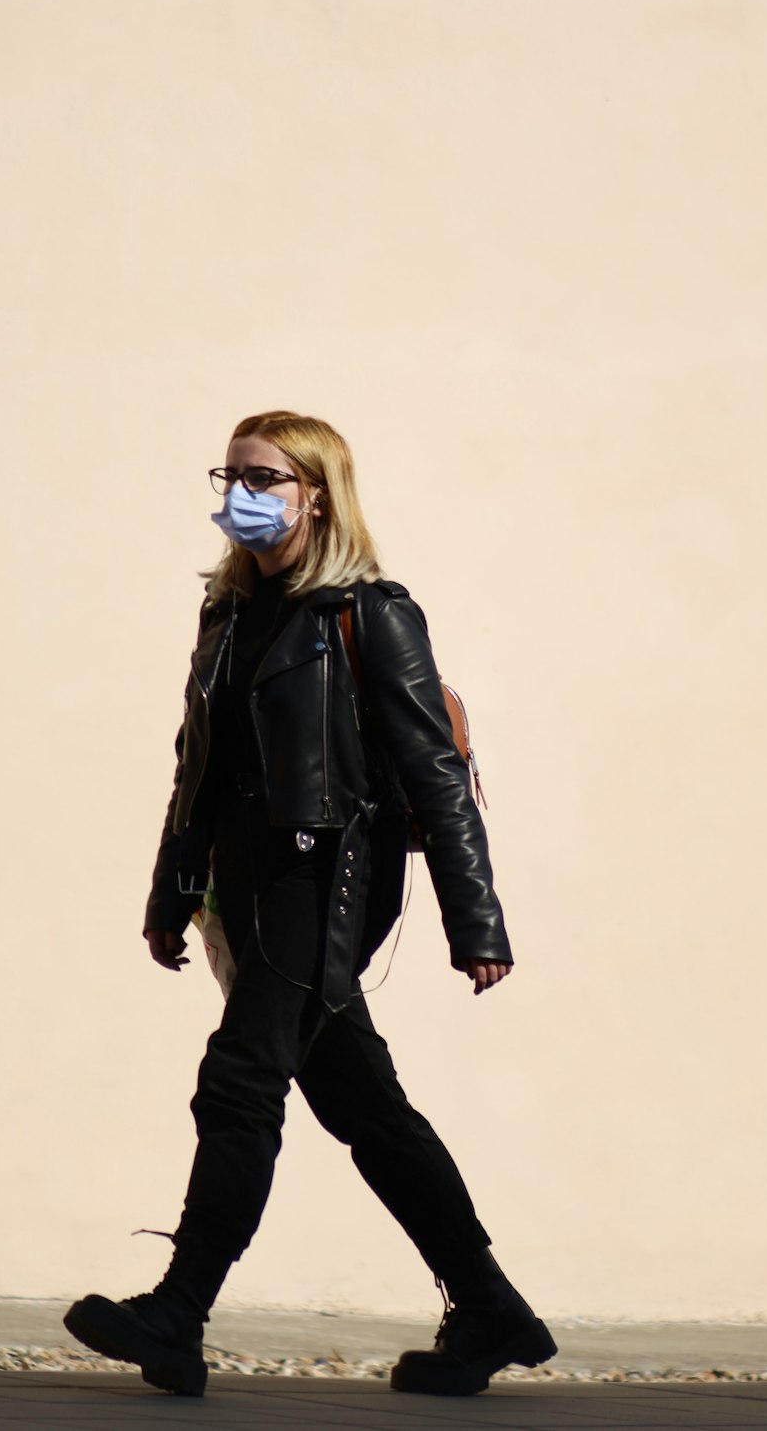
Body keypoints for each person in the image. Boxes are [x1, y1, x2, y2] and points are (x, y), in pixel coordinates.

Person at [64, 410, 555, 1397]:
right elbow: (196, 770)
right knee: (365, 1108)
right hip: (247, 887)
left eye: (265, 478)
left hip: (327, 879)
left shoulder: (370, 612)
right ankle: (491, 1308)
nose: (240, 495)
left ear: (316, 495)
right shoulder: (231, 613)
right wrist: (175, 889)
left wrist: (476, 923)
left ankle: (179, 1313)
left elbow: (437, 775)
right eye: (230, 474)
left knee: (242, 1078)